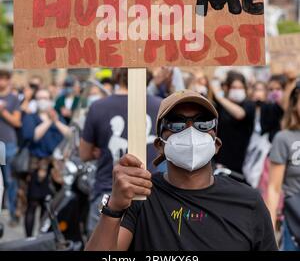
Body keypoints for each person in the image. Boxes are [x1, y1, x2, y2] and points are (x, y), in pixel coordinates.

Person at [85, 90, 277, 251]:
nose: (190, 130)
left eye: (203, 123)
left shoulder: (248, 202)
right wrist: (115, 206)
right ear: (160, 145)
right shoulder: (141, 197)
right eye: (176, 123)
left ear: (216, 144)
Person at [80, 68, 161, 235]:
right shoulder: (161, 105)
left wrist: (99, 150)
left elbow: (84, 154)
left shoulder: (98, 107)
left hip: (108, 193)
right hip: (150, 192)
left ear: (116, 75)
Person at [22, 88, 71, 236]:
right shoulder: (30, 117)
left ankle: (42, 237)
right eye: (39, 98)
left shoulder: (58, 118)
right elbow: (33, 136)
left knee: (48, 206)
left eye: (46, 97)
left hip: (54, 169)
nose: (43, 101)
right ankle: (29, 238)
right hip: (37, 167)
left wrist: (56, 121)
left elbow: (69, 134)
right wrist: (49, 121)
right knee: (32, 204)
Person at [266, 82, 300, 251]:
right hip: (295, 225)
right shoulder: (284, 138)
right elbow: (273, 188)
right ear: (295, 105)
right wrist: (270, 230)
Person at [212, 71, 255, 174]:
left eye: (240, 88)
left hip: (241, 163)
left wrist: (220, 97)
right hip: (220, 161)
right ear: (226, 87)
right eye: (234, 87)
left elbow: (240, 114)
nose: (238, 91)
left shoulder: (249, 104)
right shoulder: (219, 105)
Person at [0, 69, 21, 225]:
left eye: (3, 78)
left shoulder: (13, 99)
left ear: (8, 80)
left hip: (8, 145)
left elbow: (17, 122)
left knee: (9, 181)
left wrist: (2, 111)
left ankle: (13, 213)